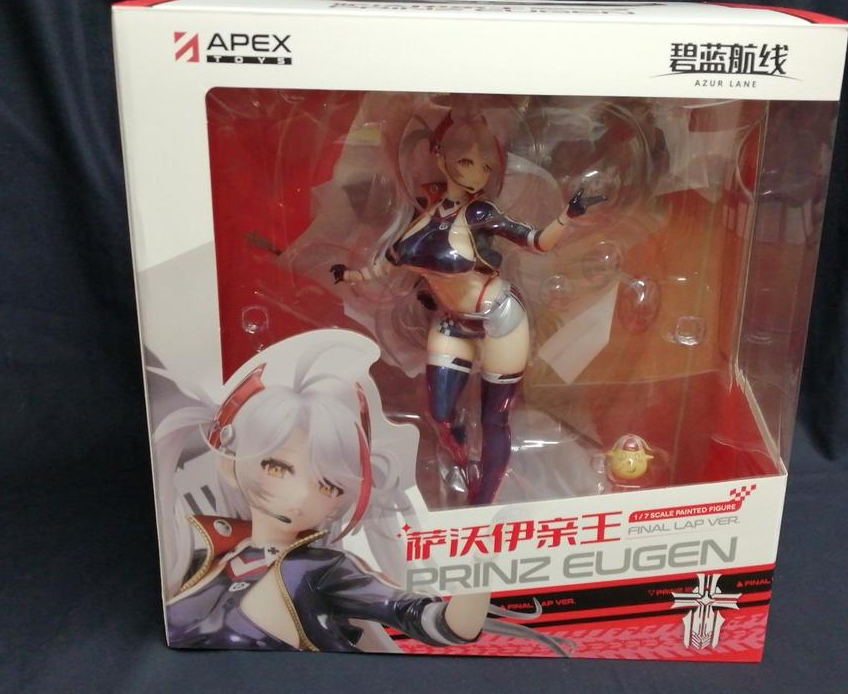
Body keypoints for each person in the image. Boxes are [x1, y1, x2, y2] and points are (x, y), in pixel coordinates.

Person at [151, 334, 566, 654]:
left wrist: (483, 565)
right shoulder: (207, 549)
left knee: (286, 578)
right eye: (277, 467)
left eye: (327, 485)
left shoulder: (318, 569)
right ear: (230, 465)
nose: (300, 496)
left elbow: (442, 623)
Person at [332, 109, 604, 505]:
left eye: (485, 166)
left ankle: (483, 499)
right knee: (441, 414)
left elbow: (536, 241)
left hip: (499, 318)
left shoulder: (480, 214)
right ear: (439, 157)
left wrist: (568, 215)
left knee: (494, 417)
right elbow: (388, 261)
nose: (477, 173)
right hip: (451, 322)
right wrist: (350, 275)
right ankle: (462, 465)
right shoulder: (424, 214)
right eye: (465, 162)